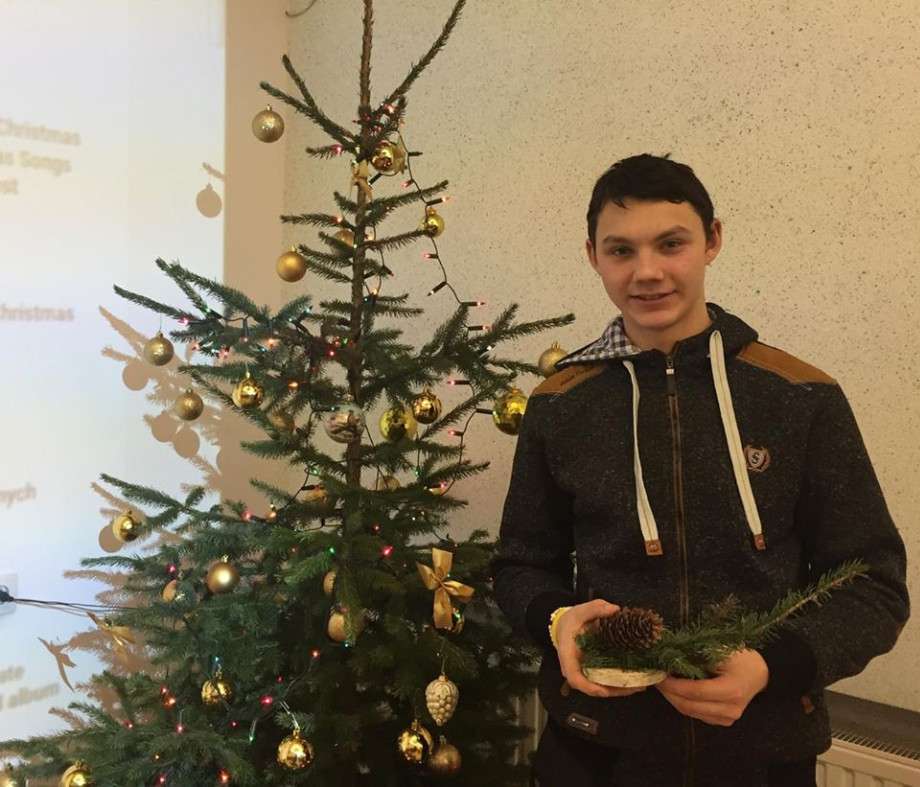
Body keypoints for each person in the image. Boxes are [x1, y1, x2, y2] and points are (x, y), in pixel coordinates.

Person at [490, 154, 909, 787]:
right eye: (621, 250)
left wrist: (771, 667)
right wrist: (556, 620)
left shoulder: (801, 396)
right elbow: (520, 565)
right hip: (594, 752)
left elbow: (874, 584)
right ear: (593, 256)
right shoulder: (559, 404)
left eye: (671, 244)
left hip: (765, 752)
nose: (647, 272)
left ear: (712, 240)